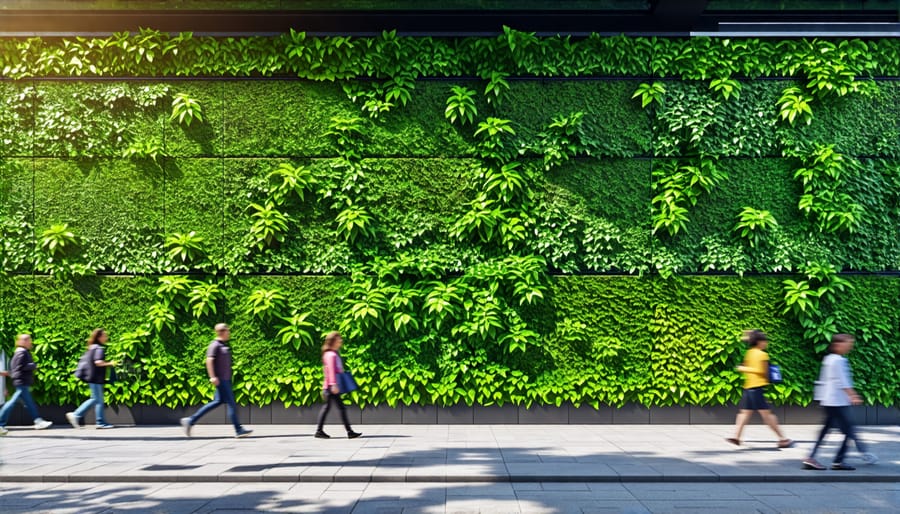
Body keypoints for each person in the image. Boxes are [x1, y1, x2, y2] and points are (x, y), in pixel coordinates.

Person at [803, 334, 878, 471]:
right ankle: (838, 461)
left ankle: (812, 457)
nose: (850, 346)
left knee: (826, 430)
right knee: (849, 431)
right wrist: (853, 395)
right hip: (837, 401)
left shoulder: (829, 359)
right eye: (848, 343)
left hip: (828, 400)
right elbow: (843, 381)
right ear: (838, 345)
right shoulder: (839, 360)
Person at [180, 323, 252, 438]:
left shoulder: (222, 345)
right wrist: (212, 376)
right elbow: (209, 360)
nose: (229, 333)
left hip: (225, 379)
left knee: (216, 402)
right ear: (221, 332)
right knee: (231, 404)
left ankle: (190, 421)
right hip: (221, 380)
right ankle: (238, 430)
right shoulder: (214, 345)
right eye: (227, 331)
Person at [726, 330, 793, 448]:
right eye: (764, 340)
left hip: (749, 387)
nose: (766, 343)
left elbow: (748, 367)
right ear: (759, 342)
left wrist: (744, 368)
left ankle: (737, 437)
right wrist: (745, 369)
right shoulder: (762, 355)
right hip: (756, 388)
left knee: (744, 414)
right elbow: (761, 371)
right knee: (766, 415)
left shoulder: (749, 353)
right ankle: (782, 439)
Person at [0, 334, 53, 435]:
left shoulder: (20, 352)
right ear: (24, 341)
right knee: (11, 403)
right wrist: (33, 365)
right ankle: (1, 423)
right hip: (21, 382)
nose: (31, 343)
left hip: (21, 382)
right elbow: (18, 368)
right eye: (29, 341)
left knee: (28, 403)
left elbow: (15, 368)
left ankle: (38, 421)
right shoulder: (22, 353)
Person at [66, 329, 117, 429]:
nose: (106, 338)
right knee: (96, 399)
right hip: (96, 378)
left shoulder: (91, 347)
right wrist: (110, 363)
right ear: (99, 337)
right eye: (104, 336)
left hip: (92, 378)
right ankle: (77, 415)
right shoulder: (98, 348)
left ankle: (99, 421)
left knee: (97, 400)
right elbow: (98, 362)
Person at [315, 331, 361, 439]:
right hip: (331, 387)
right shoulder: (331, 355)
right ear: (333, 341)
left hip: (330, 386)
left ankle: (321, 431)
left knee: (332, 408)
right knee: (338, 408)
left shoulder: (332, 353)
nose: (340, 341)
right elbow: (330, 370)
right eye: (338, 339)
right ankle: (348, 432)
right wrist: (333, 384)